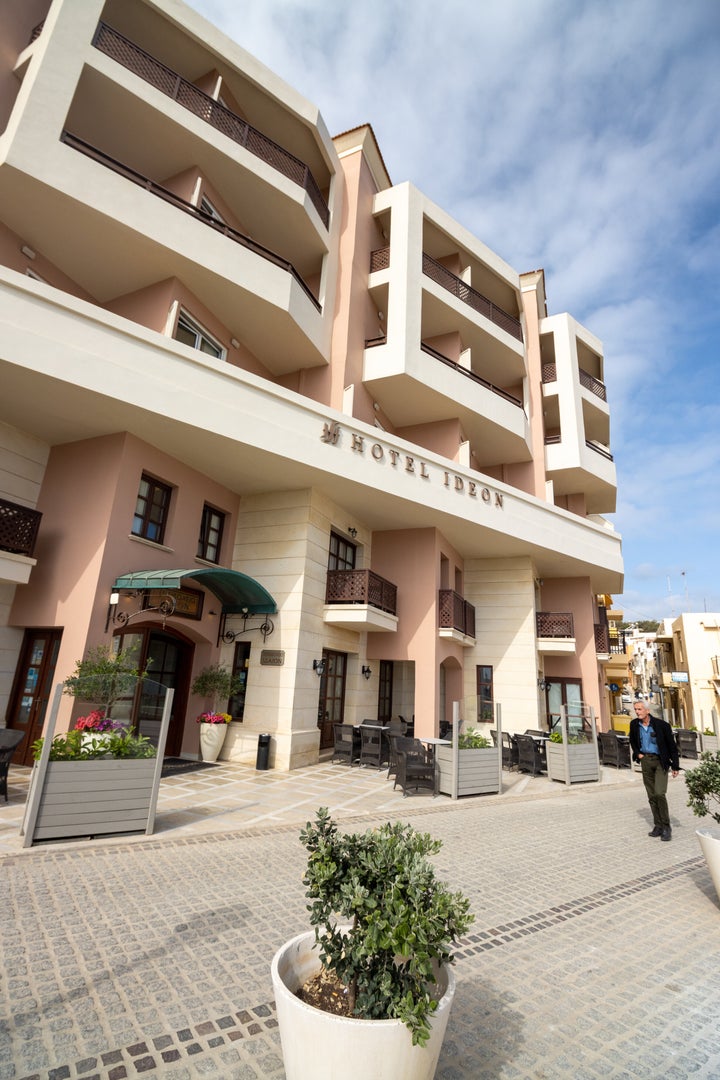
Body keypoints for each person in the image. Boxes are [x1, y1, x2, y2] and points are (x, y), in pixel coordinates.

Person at [629, 701, 679, 841]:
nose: (637, 712)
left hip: (660, 762)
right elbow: (632, 740)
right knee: (651, 795)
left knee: (659, 793)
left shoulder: (661, 725)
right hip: (646, 761)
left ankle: (666, 826)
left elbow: (672, 746)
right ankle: (658, 826)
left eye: (639, 709)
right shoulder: (634, 725)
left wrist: (675, 765)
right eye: (635, 709)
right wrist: (638, 754)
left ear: (647, 710)